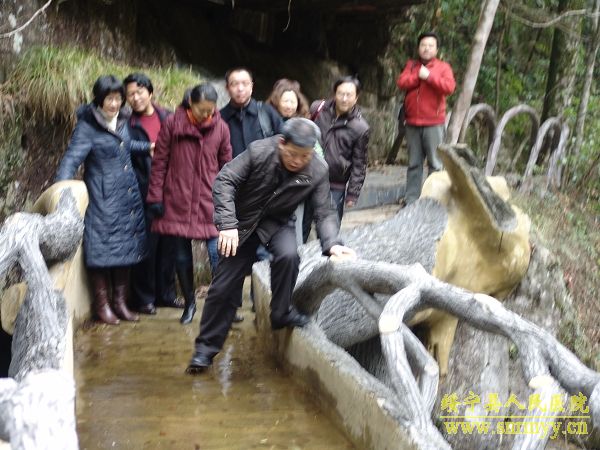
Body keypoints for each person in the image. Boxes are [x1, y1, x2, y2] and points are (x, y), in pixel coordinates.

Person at [187, 118, 356, 373]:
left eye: (305, 156)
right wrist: (228, 224)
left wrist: (332, 243)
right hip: (242, 223)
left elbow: (325, 211)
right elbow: (225, 180)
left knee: (289, 256)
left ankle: (281, 312)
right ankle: (204, 351)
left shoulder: (318, 169)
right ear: (281, 143)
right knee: (223, 287)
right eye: (292, 154)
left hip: (278, 221)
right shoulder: (259, 151)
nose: (298, 161)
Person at [55, 75, 147, 325]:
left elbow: (125, 145)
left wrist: (147, 147)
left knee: (125, 250)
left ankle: (120, 303)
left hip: (126, 197)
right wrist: (61, 191)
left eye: (118, 99)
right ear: (98, 99)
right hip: (102, 198)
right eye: (109, 99)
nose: (115, 104)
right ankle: (102, 305)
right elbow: (71, 160)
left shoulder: (122, 120)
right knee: (101, 251)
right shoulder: (87, 127)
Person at [146, 83, 232, 325]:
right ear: (190, 104)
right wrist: (155, 197)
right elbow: (160, 163)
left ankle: (223, 304)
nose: (206, 115)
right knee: (181, 256)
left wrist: (227, 200)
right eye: (201, 110)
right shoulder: (173, 124)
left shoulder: (221, 128)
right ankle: (190, 304)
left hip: (209, 200)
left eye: (210, 110)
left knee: (219, 253)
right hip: (178, 198)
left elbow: (227, 167)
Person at [123, 73, 178, 315]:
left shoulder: (168, 117)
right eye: (130, 95)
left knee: (169, 246)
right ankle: (144, 298)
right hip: (144, 191)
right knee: (147, 246)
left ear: (150, 92)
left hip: (172, 191)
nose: (135, 98)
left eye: (139, 92)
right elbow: (124, 151)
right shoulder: (127, 124)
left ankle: (167, 295)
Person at [303, 76, 370, 242]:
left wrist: (352, 194)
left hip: (335, 185)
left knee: (329, 232)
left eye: (349, 95)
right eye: (341, 93)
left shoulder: (360, 127)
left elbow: (359, 163)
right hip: (309, 178)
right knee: (302, 227)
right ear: (334, 93)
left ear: (356, 97)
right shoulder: (318, 109)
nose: (344, 99)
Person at [396, 31, 456, 205]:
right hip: (412, 122)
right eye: (423, 45)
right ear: (418, 48)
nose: (426, 48)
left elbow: (449, 87)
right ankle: (411, 200)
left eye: (430, 45)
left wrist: (429, 76)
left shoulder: (443, 67)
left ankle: (433, 201)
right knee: (414, 164)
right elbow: (401, 82)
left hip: (433, 123)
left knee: (435, 164)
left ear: (436, 49)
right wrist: (418, 76)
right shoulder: (411, 66)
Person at [220, 67, 284, 158]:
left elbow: (284, 142)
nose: (240, 88)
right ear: (227, 88)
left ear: (251, 86)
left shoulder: (266, 112)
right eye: (234, 84)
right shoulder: (220, 118)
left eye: (245, 83)